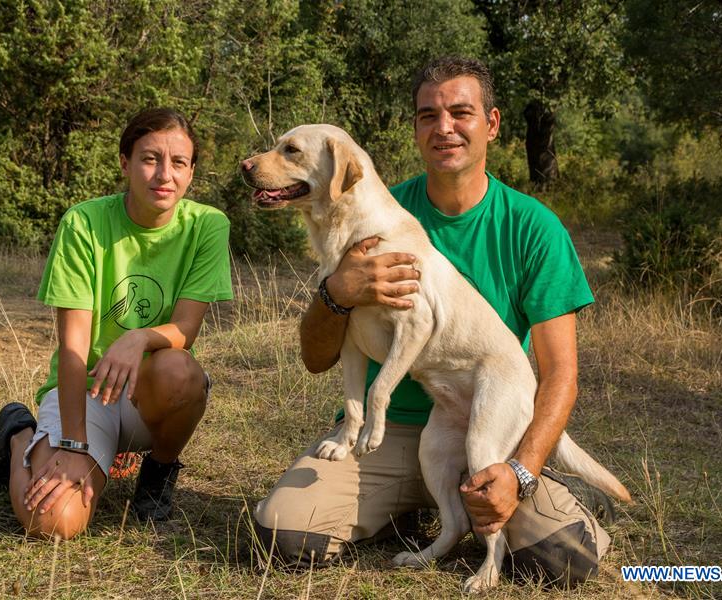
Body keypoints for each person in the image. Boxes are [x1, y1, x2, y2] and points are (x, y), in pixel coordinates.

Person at [254, 57, 615, 585]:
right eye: (428, 115)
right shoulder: (373, 209)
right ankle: (407, 504)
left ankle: (557, 491)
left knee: (563, 559)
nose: (443, 127)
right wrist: (337, 293)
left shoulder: (534, 228)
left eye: (460, 113)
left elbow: (559, 375)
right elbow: (315, 359)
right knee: (285, 536)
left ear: (491, 124)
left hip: (485, 413)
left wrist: (521, 471)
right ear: (417, 129)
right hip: (393, 429)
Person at [0, 108, 233, 539]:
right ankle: (19, 433)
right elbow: (74, 346)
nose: (164, 175)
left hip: (152, 392)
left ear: (191, 172)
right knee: (52, 524)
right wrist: (73, 444)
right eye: (150, 158)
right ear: (125, 163)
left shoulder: (208, 226)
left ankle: (158, 474)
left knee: (180, 368)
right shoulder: (84, 223)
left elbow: (186, 328)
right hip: (87, 391)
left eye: (179, 163)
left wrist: (139, 337)